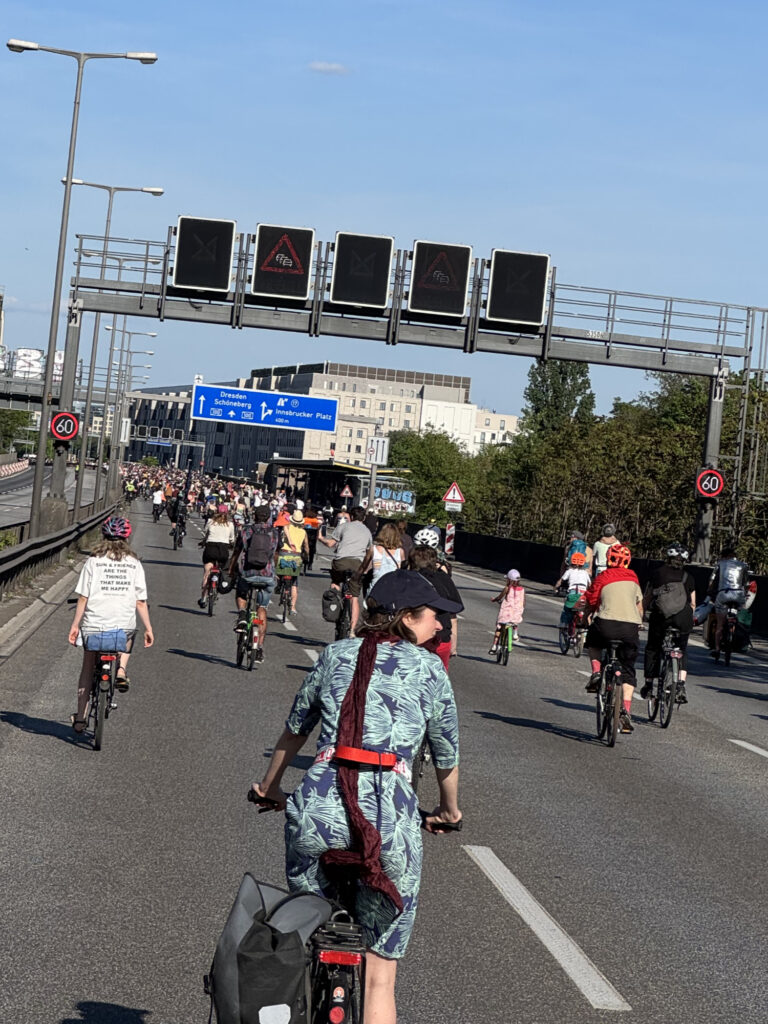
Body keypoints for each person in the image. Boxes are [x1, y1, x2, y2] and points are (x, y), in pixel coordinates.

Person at [251, 570, 462, 1024]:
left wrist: (269, 788)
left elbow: (295, 730)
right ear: (407, 617)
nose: (441, 624)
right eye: (434, 615)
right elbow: (446, 756)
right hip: (389, 821)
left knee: (308, 932)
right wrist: (449, 811)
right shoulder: (431, 669)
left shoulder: (335, 654)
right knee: (380, 974)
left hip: (319, 810)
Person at [67, 516, 154, 732]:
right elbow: (140, 602)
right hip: (122, 627)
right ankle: (121, 670)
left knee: (88, 666)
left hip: (94, 626)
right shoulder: (134, 564)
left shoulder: (93, 561)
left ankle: (80, 719)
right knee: (129, 633)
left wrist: (75, 625)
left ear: (103, 536)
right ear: (126, 538)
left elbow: (83, 598)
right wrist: (149, 628)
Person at [583, 543, 643, 734]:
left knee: (593, 643)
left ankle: (596, 673)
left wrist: (586, 617)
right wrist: (638, 623)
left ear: (608, 559)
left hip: (606, 625)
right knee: (628, 670)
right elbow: (639, 608)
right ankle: (626, 711)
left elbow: (592, 600)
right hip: (629, 629)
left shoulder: (603, 576)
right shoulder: (633, 578)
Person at [641, 543, 696, 704]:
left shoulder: (657, 573)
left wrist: (641, 616)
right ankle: (680, 685)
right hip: (683, 617)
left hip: (662, 616)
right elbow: (693, 604)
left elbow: (647, 598)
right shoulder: (688, 577)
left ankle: (649, 684)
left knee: (653, 647)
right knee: (681, 649)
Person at [230, 504, 278, 654]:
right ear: (269, 517)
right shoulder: (274, 533)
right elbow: (276, 554)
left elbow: (237, 550)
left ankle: (242, 613)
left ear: (254, 516)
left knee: (241, 593)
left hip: (248, 573)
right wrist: (274, 570)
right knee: (262, 607)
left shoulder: (246, 530)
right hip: (267, 576)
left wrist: (231, 568)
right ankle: (259, 648)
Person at [408, 544, 463, 669]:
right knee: (439, 676)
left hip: (413, 640)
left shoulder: (407, 579)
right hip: (442, 639)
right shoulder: (444, 578)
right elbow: (453, 613)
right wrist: (453, 642)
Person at [318, 505, 373, 633]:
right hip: (357, 565)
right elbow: (369, 553)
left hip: (341, 563)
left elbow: (331, 544)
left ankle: (334, 600)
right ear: (364, 518)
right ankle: (352, 630)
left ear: (351, 517)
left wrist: (321, 539)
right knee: (354, 597)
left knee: (336, 581)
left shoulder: (343, 527)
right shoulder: (367, 532)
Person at [707, 544, 749, 661]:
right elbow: (746, 584)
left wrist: (710, 592)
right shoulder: (743, 565)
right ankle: (732, 631)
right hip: (738, 596)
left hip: (723, 595)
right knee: (735, 617)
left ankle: (717, 649)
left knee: (720, 624)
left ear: (724, 556)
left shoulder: (720, 564)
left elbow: (711, 581)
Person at [198, 509, 235, 608]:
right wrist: (231, 544)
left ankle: (203, 598)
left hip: (211, 549)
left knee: (207, 573)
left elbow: (205, 533)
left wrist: (204, 542)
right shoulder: (230, 525)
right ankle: (218, 584)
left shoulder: (210, 522)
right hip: (223, 550)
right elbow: (232, 538)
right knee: (222, 568)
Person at [358, 522, 405, 591]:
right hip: (392, 589)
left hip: (375, 588)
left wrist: (356, 577)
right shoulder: (400, 552)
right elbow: (403, 571)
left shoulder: (374, 549)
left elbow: (363, 567)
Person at [278, 509, 309, 615]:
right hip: (296, 555)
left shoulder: (287, 527)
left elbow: (283, 529)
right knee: (294, 583)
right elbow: (306, 547)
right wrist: (307, 556)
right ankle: (293, 607)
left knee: (280, 572)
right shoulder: (303, 532)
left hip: (285, 553)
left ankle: (279, 584)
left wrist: (289, 541)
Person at [489, 569, 525, 651]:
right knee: (514, 621)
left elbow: (500, 597)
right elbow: (523, 602)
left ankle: (494, 646)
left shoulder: (507, 588)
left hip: (507, 612)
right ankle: (515, 633)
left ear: (509, 580)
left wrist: (494, 600)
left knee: (499, 627)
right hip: (517, 611)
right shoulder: (522, 589)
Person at [554, 551, 591, 628]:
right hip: (583, 594)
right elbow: (590, 584)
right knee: (582, 608)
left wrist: (556, 588)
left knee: (567, 609)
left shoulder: (569, 571)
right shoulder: (585, 573)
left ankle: (564, 623)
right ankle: (582, 619)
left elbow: (560, 581)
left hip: (573, 592)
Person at [302, 504, 320, 571]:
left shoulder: (304, 519)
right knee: (312, 551)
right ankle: (310, 564)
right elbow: (317, 529)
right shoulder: (316, 521)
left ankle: (303, 558)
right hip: (312, 538)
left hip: (304, 537)